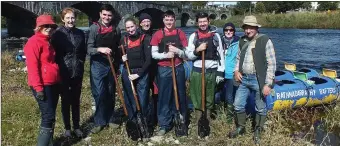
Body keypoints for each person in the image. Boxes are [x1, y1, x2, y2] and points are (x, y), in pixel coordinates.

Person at [229, 15, 276, 145]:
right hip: (244, 79)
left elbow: (272, 64)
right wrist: (236, 71)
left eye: (251, 28)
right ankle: (241, 127)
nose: (248, 31)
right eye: (246, 28)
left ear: (256, 28)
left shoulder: (265, 40)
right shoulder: (242, 41)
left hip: (258, 79)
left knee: (260, 107)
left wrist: (268, 84)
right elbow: (238, 59)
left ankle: (258, 130)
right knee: (237, 104)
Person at [150, 10, 188, 136]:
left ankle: (182, 121)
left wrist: (177, 51)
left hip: (178, 67)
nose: (169, 22)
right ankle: (164, 124)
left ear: (174, 20)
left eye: (171, 19)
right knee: (164, 96)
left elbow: (186, 53)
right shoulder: (157, 34)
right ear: (163, 20)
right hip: (164, 69)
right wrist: (165, 55)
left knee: (180, 95)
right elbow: (154, 54)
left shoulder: (180, 33)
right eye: (167, 19)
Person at [24, 14, 59, 145]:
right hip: (42, 85)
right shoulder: (33, 42)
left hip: (53, 83)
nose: (49, 28)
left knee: (51, 116)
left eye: (51, 26)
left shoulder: (47, 40)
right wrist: (38, 89)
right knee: (48, 116)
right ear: (38, 27)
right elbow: (32, 67)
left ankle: (50, 143)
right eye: (45, 26)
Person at [50, 7, 86, 138]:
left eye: (73, 18)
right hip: (63, 72)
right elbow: (53, 54)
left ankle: (77, 126)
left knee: (76, 100)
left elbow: (83, 51)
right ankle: (67, 128)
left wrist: (81, 63)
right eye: (68, 18)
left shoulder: (80, 33)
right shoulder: (57, 34)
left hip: (77, 71)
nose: (71, 20)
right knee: (65, 100)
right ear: (63, 19)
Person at [87, 4, 121, 134]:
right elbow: (89, 49)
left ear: (112, 16)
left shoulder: (116, 29)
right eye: (104, 14)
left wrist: (117, 66)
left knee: (111, 92)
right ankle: (99, 121)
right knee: (99, 93)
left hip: (111, 65)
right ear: (100, 14)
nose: (107, 17)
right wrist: (99, 49)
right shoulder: (94, 29)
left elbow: (117, 50)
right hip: (97, 65)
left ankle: (111, 118)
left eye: (109, 15)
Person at [186, 12, 225, 121]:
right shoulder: (194, 36)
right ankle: (199, 120)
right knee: (197, 96)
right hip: (198, 71)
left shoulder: (216, 36)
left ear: (208, 21)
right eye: (200, 21)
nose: (203, 24)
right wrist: (197, 50)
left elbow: (221, 55)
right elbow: (189, 55)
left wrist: (220, 72)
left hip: (212, 71)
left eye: (204, 21)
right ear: (197, 23)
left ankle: (207, 120)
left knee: (210, 96)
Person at [120, 18, 151, 126]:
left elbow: (149, 60)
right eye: (127, 27)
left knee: (142, 100)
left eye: (132, 27)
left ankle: (144, 122)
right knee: (129, 98)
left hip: (141, 73)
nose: (130, 29)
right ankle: (133, 121)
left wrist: (138, 74)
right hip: (127, 72)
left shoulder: (145, 38)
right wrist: (122, 59)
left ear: (136, 26)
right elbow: (119, 56)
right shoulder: (123, 39)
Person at [138, 13, 158, 128]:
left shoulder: (156, 34)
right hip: (143, 69)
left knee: (156, 93)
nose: (146, 23)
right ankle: (144, 118)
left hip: (155, 69)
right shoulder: (137, 35)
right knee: (143, 94)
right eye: (144, 21)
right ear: (140, 23)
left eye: (148, 21)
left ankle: (155, 117)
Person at [221, 22, 240, 123]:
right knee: (217, 93)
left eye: (231, 30)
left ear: (234, 31)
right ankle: (218, 112)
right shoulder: (219, 40)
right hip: (220, 71)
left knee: (229, 95)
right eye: (226, 30)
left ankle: (229, 117)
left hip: (231, 72)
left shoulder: (239, 42)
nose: (228, 32)